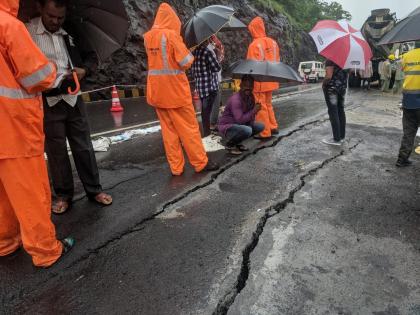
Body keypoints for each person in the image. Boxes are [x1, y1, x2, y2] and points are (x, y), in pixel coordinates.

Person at [0, 0, 73, 267]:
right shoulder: (9, 26)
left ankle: (5, 243)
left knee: (2, 193)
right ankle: (45, 250)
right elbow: (37, 76)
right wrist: (54, 70)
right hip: (14, 126)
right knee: (31, 192)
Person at [27, 0, 112, 214]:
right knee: (56, 151)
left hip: (73, 98)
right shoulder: (27, 32)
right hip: (47, 101)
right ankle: (63, 195)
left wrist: (84, 70)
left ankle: (94, 190)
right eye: (50, 16)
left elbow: (91, 56)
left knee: (83, 146)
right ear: (40, 9)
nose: (55, 21)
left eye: (60, 18)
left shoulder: (72, 29)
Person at [144, 3, 219, 175]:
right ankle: (200, 163)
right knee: (189, 129)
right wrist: (187, 50)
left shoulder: (148, 37)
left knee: (169, 133)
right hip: (176, 93)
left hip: (157, 92)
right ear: (172, 19)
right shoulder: (171, 36)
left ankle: (176, 168)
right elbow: (186, 62)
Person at [247, 16, 280, 139]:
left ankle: (264, 132)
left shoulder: (254, 45)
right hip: (272, 78)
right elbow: (277, 61)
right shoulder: (273, 42)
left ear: (253, 29)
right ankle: (273, 127)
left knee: (261, 107)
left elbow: (250, 66)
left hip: (259, 81)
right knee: (268, 104)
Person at [218, 75, 264, 155]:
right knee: (247, 130)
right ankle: (230, 145)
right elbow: (240, 120)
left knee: (260, 126)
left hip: (239, 125)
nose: (248, 88)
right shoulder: (236, 100)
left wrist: (254, 112)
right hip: (228, 126)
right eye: (245, 86)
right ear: (240, 85)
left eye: (250, 86)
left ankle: (238, 142)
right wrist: (253, 111)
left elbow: (250, 117)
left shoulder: (251, 97)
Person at [191, 38, 222, 136]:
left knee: (204, 112)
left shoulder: (194, 52)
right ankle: (208, 134)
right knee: (207, 112)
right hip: (209, 87)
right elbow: (217, 68)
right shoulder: (207, 52)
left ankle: (206, 132)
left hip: (200, 87)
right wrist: (216, 55)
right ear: (204, 40)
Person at [396, 43, 420, 167]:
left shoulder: (407, 56)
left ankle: (402, 159)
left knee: (409, 131)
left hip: (409, 99)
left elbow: (403, 70)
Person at [322, 59, 348, 146]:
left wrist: (323, 83)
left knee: (333, 112)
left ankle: (336, 139)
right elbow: (350, 72)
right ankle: (342, 137)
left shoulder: (330, 60)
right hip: (342, 88)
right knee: (341, 110)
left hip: (332, 89)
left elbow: (329, 76)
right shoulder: (345, 60)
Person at [208, 34, 225, 134]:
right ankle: (213, 124)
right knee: (215, 101)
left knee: (209, 102)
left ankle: (209, 122)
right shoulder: (213, 46)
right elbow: (218, 63)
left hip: (206, 79)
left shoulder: (201, 46)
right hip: (215, 78)